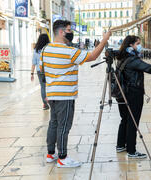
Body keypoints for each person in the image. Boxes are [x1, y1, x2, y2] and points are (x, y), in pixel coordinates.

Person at [40, 20, 111, 168]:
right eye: (68, 30)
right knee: (64, 126)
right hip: (65, 96)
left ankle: (50, 154)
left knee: (53, 123)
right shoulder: (68, 51)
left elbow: (43, 71)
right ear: (61, 32)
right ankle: (63, 158)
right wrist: (105, 39)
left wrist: (48, 92)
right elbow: (92, 56)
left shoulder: (45, 49)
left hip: (52, 94)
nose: (71, 33)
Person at [31, 34, 50, 110]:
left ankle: (45, 104)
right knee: (50, 86)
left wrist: (32, 73)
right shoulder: (49, 48)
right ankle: (52, 103)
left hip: (40, 71)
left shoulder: (36, 50)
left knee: (43, 87)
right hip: (49, 70)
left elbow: (33, 63)